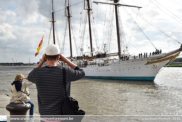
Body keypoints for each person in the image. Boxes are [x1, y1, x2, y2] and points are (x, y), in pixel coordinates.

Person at [27, 44, 85, 117]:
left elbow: (29, 76)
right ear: (58, 57)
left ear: (45, 57)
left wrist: (41, 62)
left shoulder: (37, 73)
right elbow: (82, 72)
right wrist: (66, 60)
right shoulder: (66, 72)